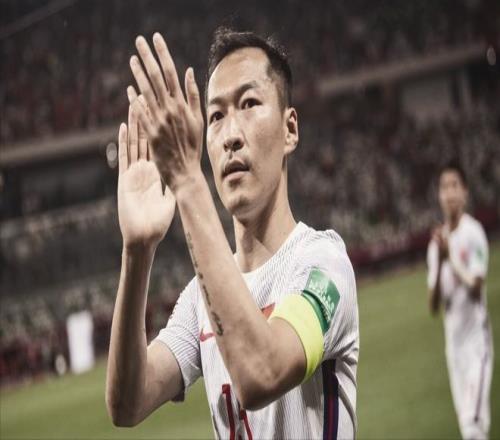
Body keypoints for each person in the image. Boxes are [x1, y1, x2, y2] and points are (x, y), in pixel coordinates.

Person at [106, 27, 359, 439]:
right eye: (216, 116)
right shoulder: (199, 298)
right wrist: (136, 251)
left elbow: (263, 372)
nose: (230, 136)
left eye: (250, 103)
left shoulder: (323, 265)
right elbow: (127, 404)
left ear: (290, 129)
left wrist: (188, 182)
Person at [427, 160, 493, 440]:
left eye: (455, 185)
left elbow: (477, 286)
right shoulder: (436, 244)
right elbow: (433, 306)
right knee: (472, 428)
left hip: (477, 346)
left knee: (472, 426)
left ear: (465, 192)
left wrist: (450, 259)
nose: (449, 193)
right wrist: (440, 262)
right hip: (453, 350)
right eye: (444, 187)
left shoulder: (473, 232)